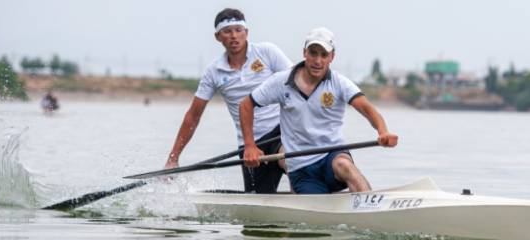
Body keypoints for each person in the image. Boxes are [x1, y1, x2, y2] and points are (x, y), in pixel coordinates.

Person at [240, 27, 398, 194]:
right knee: (315, 202)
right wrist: (249, 145)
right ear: (304, 53)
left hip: (332, 156)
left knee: (344, 165)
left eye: (324, 55)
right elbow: (246, 105)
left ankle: (369, 204)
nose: (318, 60)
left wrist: (383, 131)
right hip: (301, 168)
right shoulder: (282, 82)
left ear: (332, 57)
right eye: (313, 53)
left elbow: (368, 109)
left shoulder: (339, 83)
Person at [163, 8, 292, 193]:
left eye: (239, 30)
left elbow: (298, 82)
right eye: (227, 31)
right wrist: (173, 158)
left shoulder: (267, 52)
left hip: (281, 131)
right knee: (257, 204)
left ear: (246, 32)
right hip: (249, 145)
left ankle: (311, 197)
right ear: (218, 37)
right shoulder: (213, 72)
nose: (234, 36)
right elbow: (193, 117)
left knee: (291, 161)